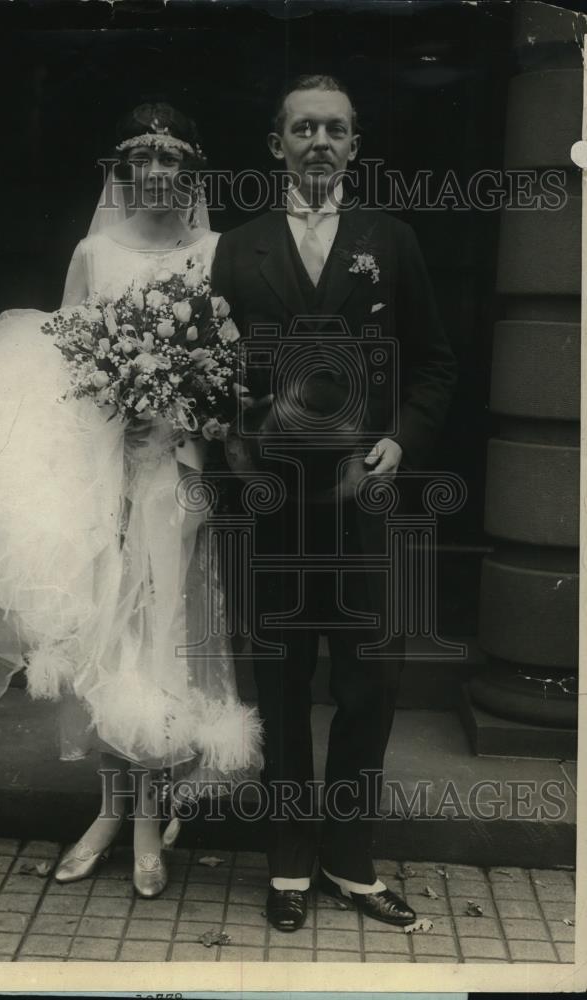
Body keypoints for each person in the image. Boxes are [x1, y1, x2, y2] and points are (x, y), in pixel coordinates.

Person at [0, 102, 262, 901]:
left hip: (173, 474)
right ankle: (110, 815)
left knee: (161, 640)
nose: (157, 173)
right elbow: (61, 376)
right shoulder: (93, 254)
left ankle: (147, 827)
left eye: (172, 160)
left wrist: (178, 409)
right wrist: (118, 407)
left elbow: (228, 370)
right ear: (122, 170)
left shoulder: (216, 253)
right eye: (142, 159)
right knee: (104, 642)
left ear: (190, 173)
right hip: (99, 474)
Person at [211, 74, 457, 932]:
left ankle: (349, 862)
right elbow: (212, 376)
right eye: (303, 128)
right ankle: (286, 862)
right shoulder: (235, 249)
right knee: (276, 683)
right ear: (275, 144)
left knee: (368, 685)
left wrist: (403, 441)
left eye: (336, 130)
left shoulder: (388, 240)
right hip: (273, 510)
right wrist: (235, 451)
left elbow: (433, 362)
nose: (320, 141)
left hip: (363, 506)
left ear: (355, 146)